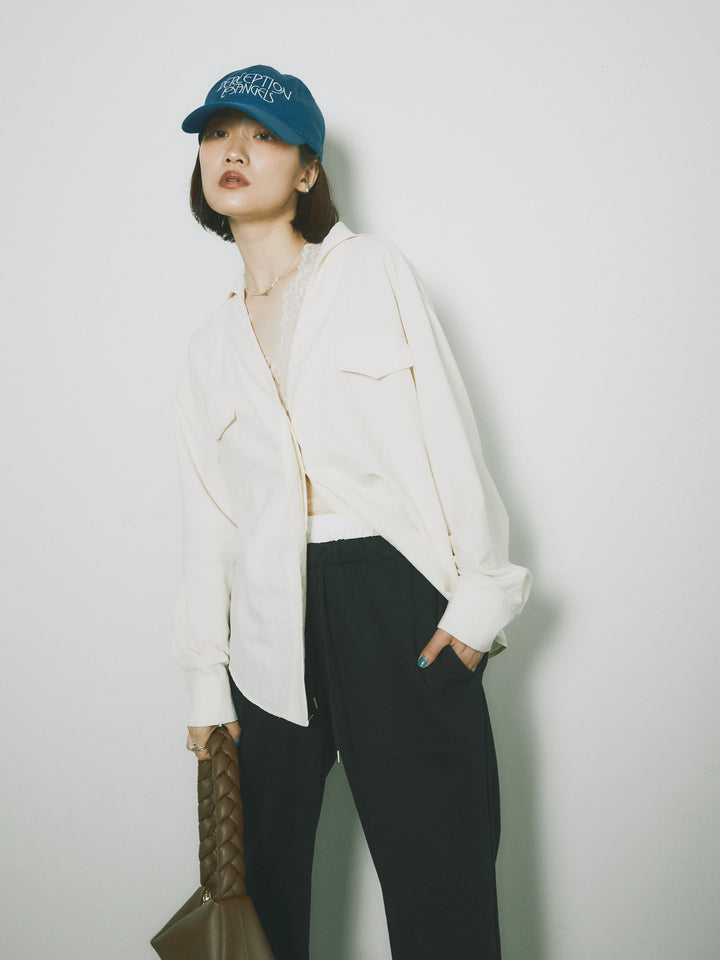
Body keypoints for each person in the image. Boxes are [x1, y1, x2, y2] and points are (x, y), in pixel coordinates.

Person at [173, 64, 531, 960]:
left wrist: (481, 601)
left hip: (390, 590)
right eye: (217, 134)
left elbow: (446, 427)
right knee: (261, 894)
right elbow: (209, 523)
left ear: (306, 171)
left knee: (440, 875)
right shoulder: (208, 346)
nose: (233, 150)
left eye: (263, 135)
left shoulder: (372, 270)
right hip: (265, 622)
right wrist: (206, 678)